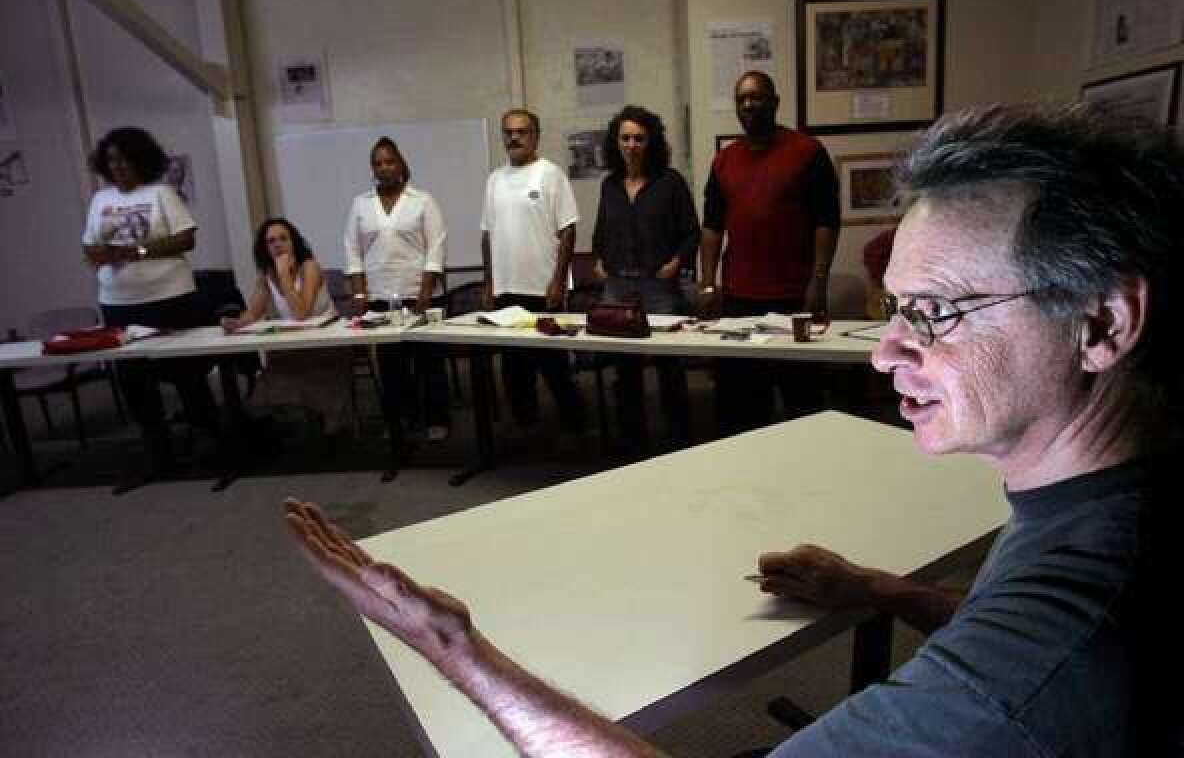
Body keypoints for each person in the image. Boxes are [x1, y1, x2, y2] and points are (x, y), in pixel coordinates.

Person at [285, 103, 1183, 756]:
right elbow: (1010, 631)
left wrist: (458, 651)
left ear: (1101, 323)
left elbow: (1026, 666)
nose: (886, 352)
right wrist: (881, 589)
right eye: (897, 308)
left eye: (938, 311)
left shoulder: (1046, 656)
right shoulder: (1105, 502)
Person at [700, 71, 840, 436]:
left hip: (794, 297)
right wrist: (708, 283)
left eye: (757, 97)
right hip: (738, 298)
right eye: (741, 99)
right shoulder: (724, 161)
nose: (748, 105)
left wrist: (819, 280)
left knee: (803, 403)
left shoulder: (807, 152)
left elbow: (827, 220)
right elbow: (712, 226)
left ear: (775, 102)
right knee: (739, 406)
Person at [81, 126, 220, 490]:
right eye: (111, 160)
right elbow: (90, 248)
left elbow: (186, 237)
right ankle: (159, 454)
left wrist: (137, 251)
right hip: (119, 304)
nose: (118, 166)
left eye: (125, 159)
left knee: (186, 372)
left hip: (169, 298)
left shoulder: (161, 193)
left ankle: (210, 443)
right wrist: (102, 254)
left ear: (141, 160)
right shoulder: (100, 200)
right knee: (134, 380)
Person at [592, 105, 699, 454]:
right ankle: (632, 444)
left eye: (639, 138)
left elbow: (691, 233)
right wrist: (599, 262)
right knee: (626, 370)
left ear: (651, 142)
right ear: (616, 142)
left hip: (659, 288)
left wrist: (677, 262)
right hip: (618, 289)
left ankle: (679, 441)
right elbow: (600, 235)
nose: (632, 144)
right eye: (625, 138)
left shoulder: (670, 182)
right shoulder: (609, 186)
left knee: (669, 366)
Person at [481, 108, 585, 433]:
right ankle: (528, 429)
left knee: (553, 366)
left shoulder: (550, 174)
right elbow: (487, 233)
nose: (514, 137)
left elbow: (568, 229)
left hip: (544, 290)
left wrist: (558, 281)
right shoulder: (494, 180)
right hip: (507, 291)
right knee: (514, 370)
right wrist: (489, 282)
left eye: (522, 131)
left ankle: (577, 427)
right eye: (508, 132)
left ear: (535, 136)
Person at [344, 136, 450, 442]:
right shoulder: (361, 204)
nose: (384, 168)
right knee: (392, 366)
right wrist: (360, 294)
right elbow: (353, 250)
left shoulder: (422, 200)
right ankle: (404, 419)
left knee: (429, 362)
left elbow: (436, 247)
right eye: (377, 163)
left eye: (389, 161)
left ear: (400, 163)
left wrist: (426, 291)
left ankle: (437, 418)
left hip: (420, 295)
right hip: (380, 299)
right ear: (372, 168)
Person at [220, 217, 349, 435]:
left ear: (294, 242)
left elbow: (302, 313)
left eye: (283, 239)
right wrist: (236, 322)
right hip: (292, 346)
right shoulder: (265, 276)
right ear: (265, 248)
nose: (277, 244)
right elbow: (253, 313)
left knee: (311, 375)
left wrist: (285, 277)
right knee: (274, 376)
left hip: (326, 345)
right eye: (271, 241)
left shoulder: (309, 267)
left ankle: (328, 426)